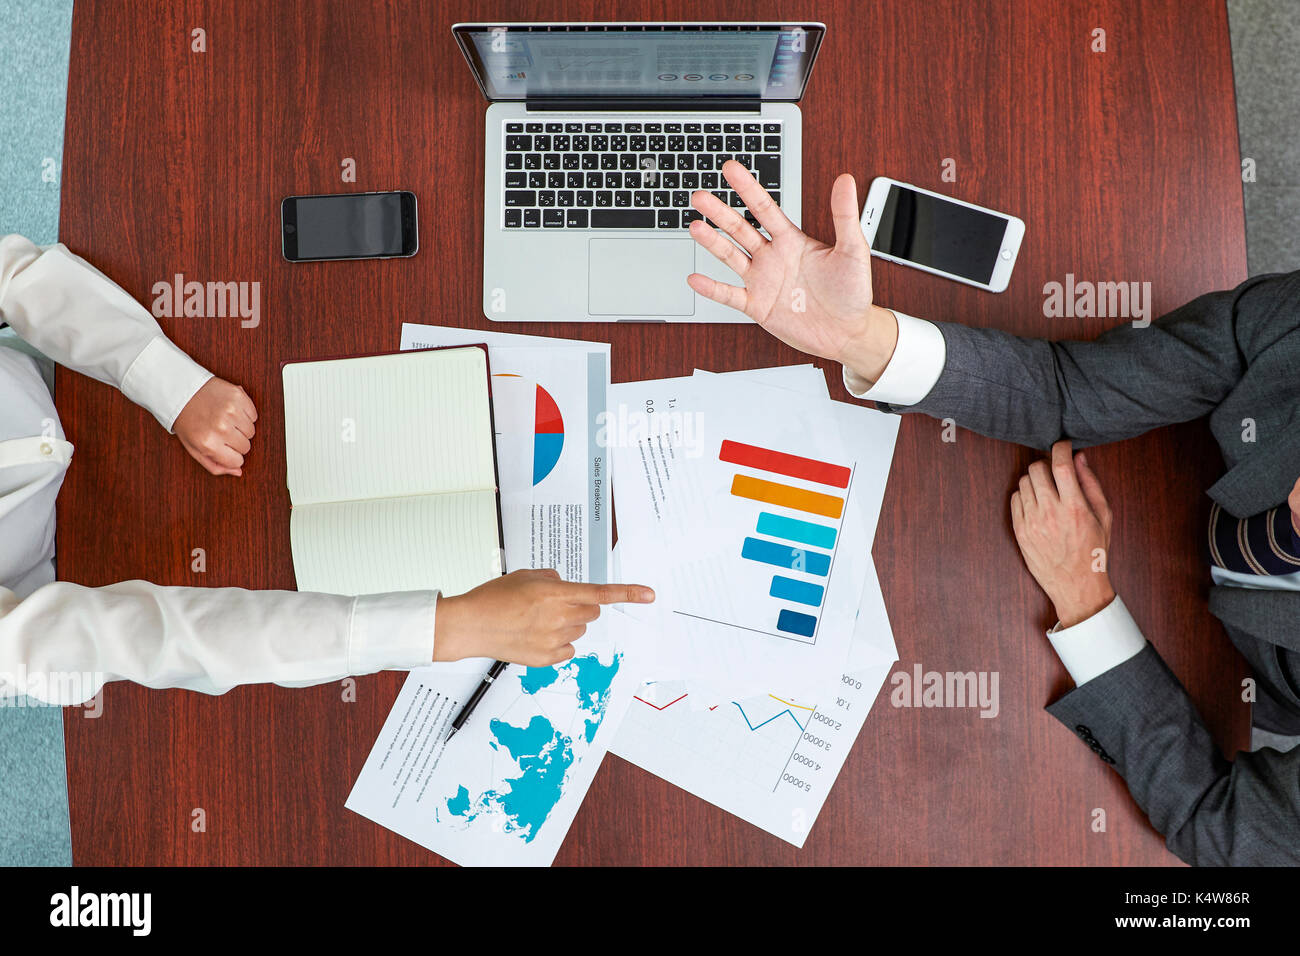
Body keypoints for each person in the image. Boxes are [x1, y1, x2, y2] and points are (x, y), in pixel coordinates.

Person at [685, 161, 1300, 866]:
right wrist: (862, 339)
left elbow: (1217, 826)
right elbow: (1071, 390)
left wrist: (1087, 602)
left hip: (1255, 678)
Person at [0, 234, 652, 705]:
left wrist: (167, 381)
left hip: (67, 389)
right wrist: (455, 627)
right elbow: (148, 640)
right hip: (74, 574)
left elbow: (13, 276)